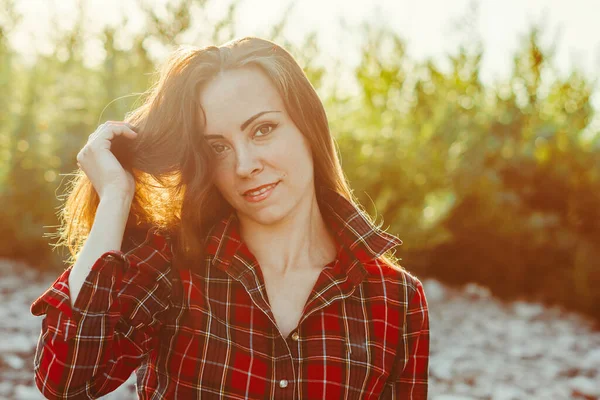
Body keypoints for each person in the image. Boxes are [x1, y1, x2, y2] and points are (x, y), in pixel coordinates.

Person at [31, 36, 429, 399]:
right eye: (217, 147)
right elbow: (66, 381)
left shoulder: (395, 299)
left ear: (308, 127)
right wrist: (115, 195)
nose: (244, 165)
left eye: (263, 129)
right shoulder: (174, 263)